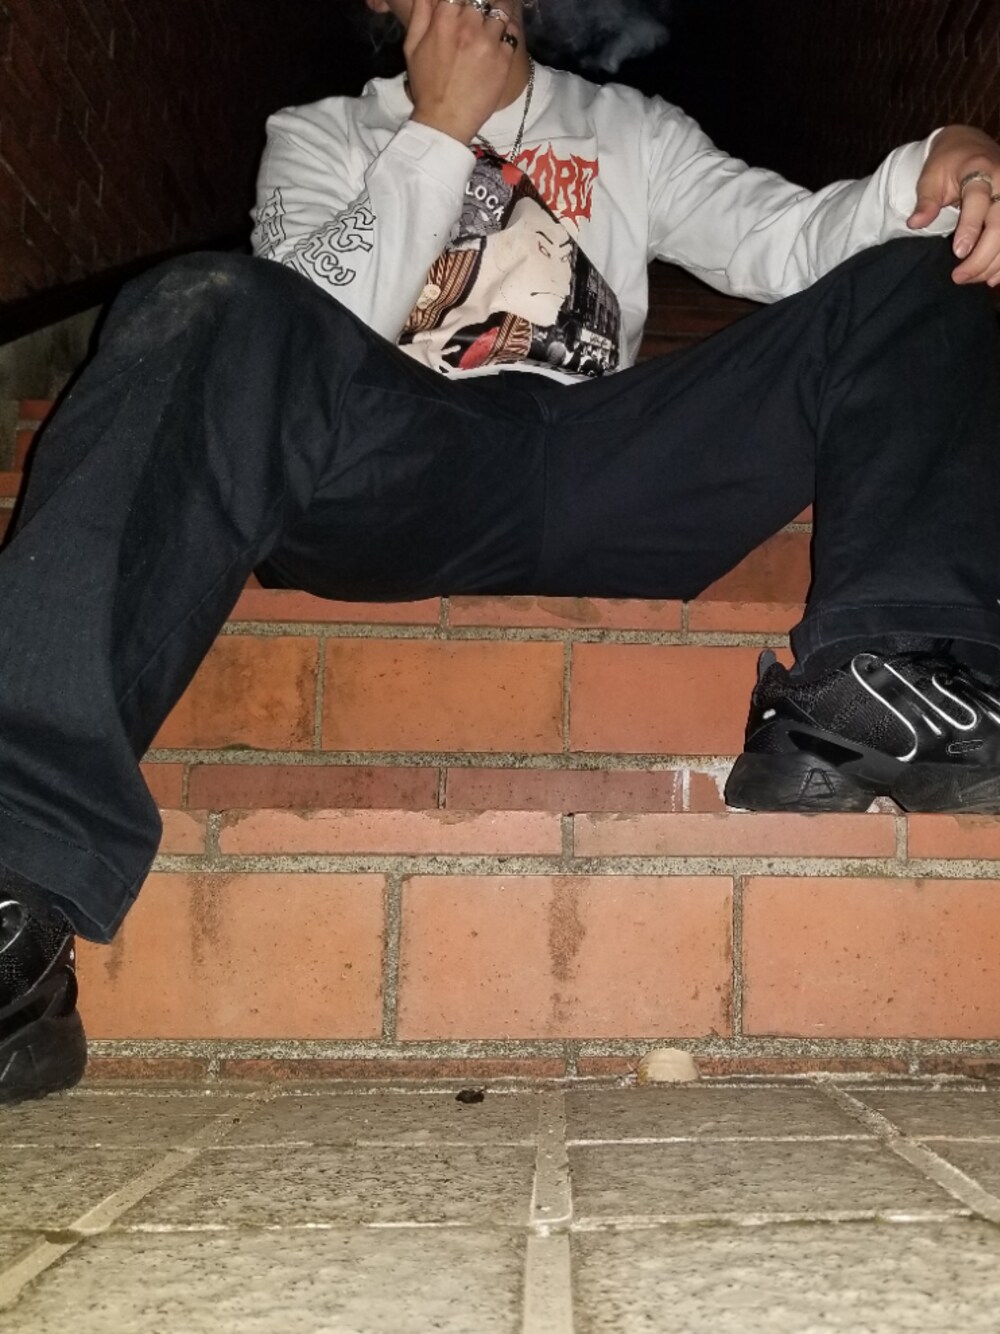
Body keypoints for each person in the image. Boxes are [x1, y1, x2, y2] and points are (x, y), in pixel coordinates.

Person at [3, 0, 1000, 1105]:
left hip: (612, 458)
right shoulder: (323, 133)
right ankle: (14, 877)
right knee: (203, 299)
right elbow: (288, 339)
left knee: (922, 273)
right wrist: (437, 132)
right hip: (403, 460)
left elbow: (790, 242)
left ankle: (882, 685)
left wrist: (932, 171)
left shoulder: (629, 127)